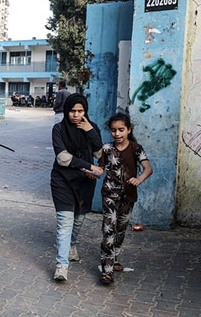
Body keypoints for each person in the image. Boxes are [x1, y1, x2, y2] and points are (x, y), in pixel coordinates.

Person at [50, 93, 103, 281]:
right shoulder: (59, 129)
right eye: (72, 111)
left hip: (85, 182)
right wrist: (88, 166)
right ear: (67, 111)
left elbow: (100, 154)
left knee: (79, 220)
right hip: (62, 180)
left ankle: (72, 244)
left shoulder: (92, 128)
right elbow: (63, 158)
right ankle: (61, 266)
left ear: (85, 112)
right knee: (65, 222)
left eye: (80, 111)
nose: (76, 115)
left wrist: (90, 131)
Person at [98, 113, 153, 285]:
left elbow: (148, 168)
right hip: (109, 195)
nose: (117, 134)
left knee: (120, 230)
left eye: (121, 130)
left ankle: (114, 258)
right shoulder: (106, 149)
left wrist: (139, 179)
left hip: (128, 197)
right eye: (114, 131)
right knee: (108, 229)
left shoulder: (136, 148)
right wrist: (92, 173)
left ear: (129, 130)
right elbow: (100, 169)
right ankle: (107, 270)